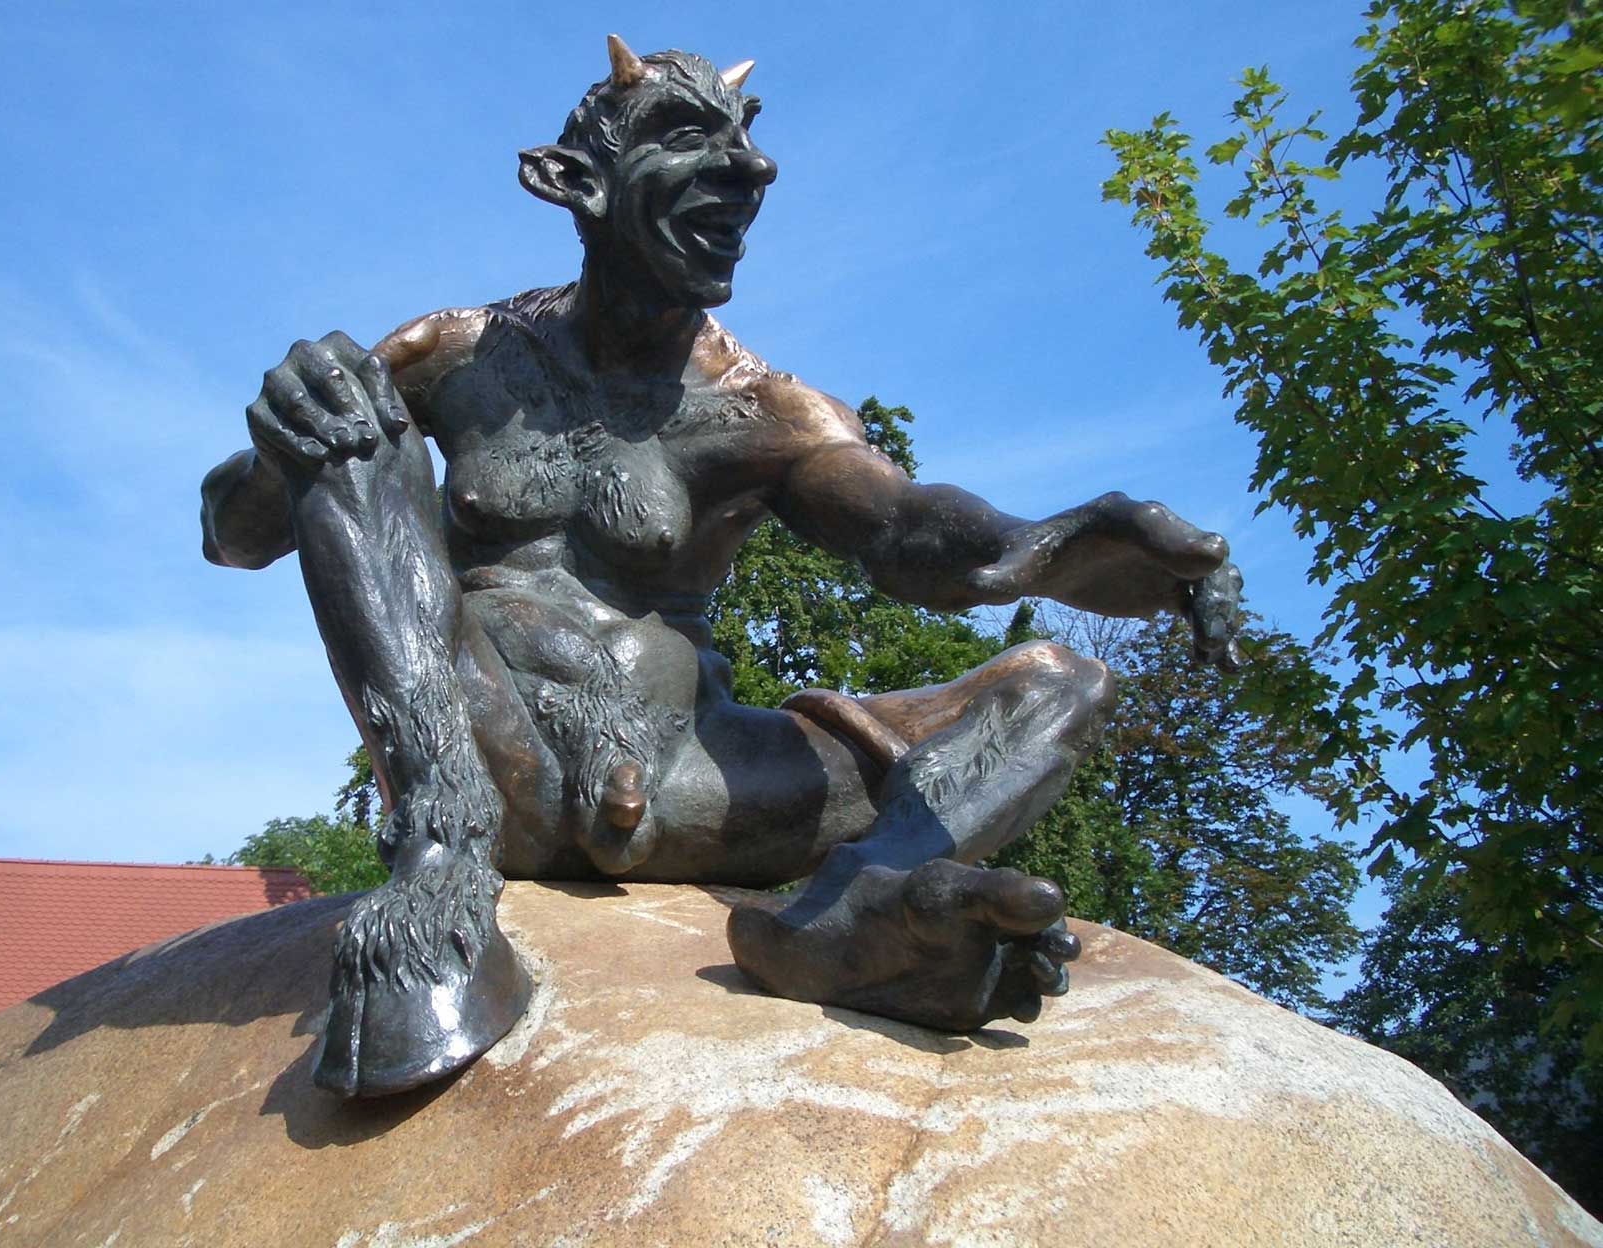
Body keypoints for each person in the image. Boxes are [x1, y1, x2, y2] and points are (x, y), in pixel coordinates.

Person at [201, 37, 1245, 1097]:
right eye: (685, 135)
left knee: (1059, 682)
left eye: (744, 142)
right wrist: (292, 429)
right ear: (571, 181)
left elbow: (902, 528)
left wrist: (1052, 544)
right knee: (350, 411)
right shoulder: (455, 354)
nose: (750, 167)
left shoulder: (764, 412)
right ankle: (439, 883)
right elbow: (234, 535)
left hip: (692, 793)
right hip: (486, 753)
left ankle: (852, 917)